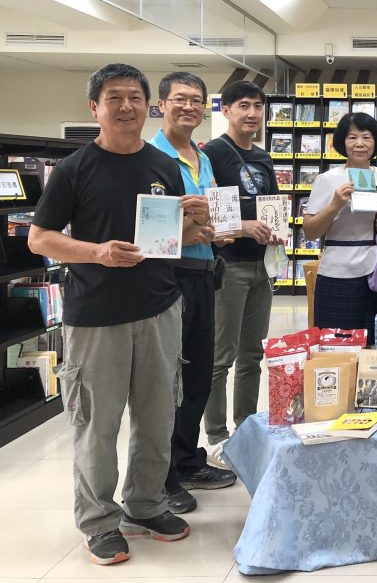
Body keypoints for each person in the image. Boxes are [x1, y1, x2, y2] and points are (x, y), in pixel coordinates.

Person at [28, 63, 209, 564]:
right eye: (114, 98)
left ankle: (146, 505)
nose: (126, 107)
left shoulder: (164, 166)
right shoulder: (75, 169)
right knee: (97, 424)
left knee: (157, 414)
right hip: (96, 317)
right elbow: (39, 238)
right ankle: (99, 522)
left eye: (134, 98)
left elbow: (167, 240)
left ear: (148, 107)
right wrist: (98, 253)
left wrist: (198, 223)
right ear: (95, 107)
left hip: (160, 308)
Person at [150, 72, 237, 516]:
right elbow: (148, 232)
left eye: (196, 100)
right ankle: (160, 477)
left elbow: (212, 220)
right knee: (168, 380)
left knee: (199, 373)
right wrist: (190, 228)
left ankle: (186, 460)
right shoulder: (151, 158)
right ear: (161, 104)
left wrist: (218, 229)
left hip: (205, 274)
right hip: (169, 279)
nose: (189, 106)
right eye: (179, 99)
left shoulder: (202, 157)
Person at [203, 81, 282, 465]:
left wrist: (276, 228)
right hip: (228, 264)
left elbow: (270, 203)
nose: (252, 113)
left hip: (261, 265)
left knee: (252, 354)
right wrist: (244, 226)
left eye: (258, 106)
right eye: (244, 106)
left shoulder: (263, 157)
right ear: (227, 110)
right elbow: (212, 213)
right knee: (221, 356)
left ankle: (247, 427)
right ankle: (217, 436)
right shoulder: (213, 153)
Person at [303, 112, 377, 343]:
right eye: (352, 137)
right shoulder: (328, 179)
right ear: (342, 142)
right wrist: (335, 205)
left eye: (366, 137)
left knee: (376, 345)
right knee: (337, 346)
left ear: (375, 142)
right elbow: (310, 231)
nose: (360, 143)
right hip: (338, 274)